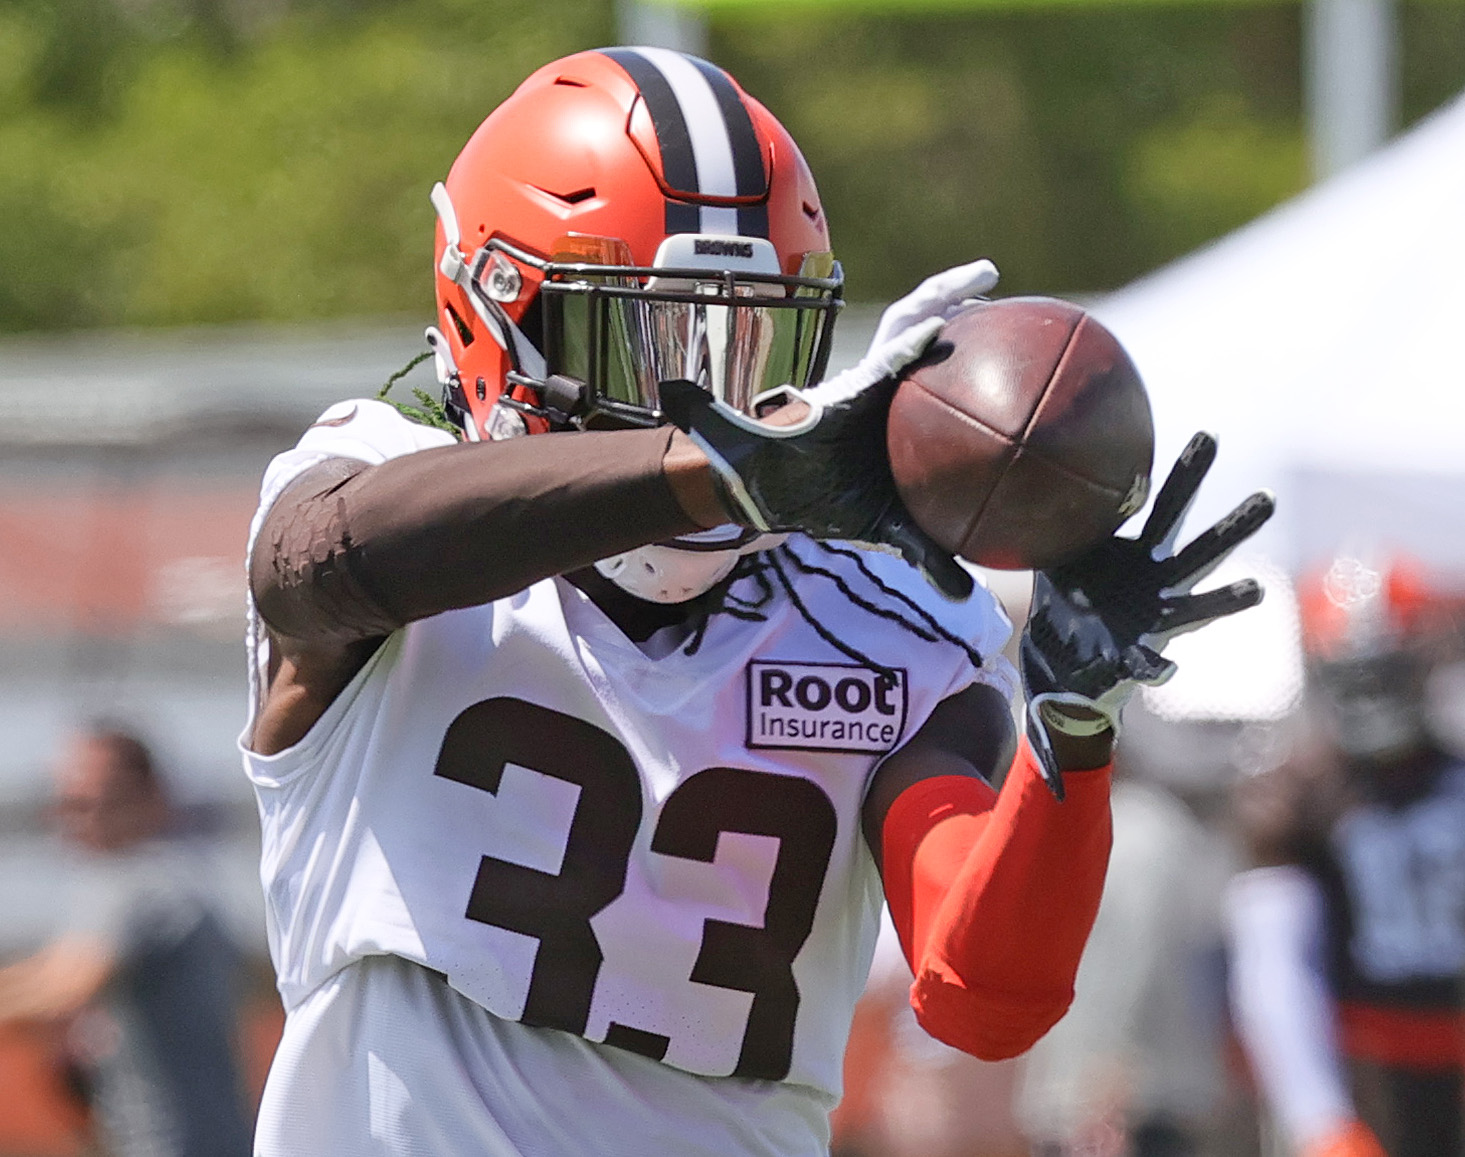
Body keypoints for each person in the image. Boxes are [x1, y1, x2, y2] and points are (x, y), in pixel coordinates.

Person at [242, 46, 1271, 1156]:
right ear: (492, 309)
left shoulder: (885, 612)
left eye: (747, 340)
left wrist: (1066, 738)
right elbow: (318, 560)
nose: (712, 396)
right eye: (645, 344)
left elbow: (982, 996)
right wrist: (721, 467)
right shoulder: (380, 485)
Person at [1226, 555, 1465, 1157]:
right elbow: (1273, 970)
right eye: (1357, 676)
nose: (1372, 696)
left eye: (1386, 674)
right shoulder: (1294, 794)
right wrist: (1320, 1119)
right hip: (1365, 1068)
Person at [0, 725, 253, 1157]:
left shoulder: (148, 882)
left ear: (149, 797)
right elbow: (49, 969)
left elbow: (62, 988)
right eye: (65, 804)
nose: (73, 819)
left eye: (89, 802)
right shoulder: (136, 883)